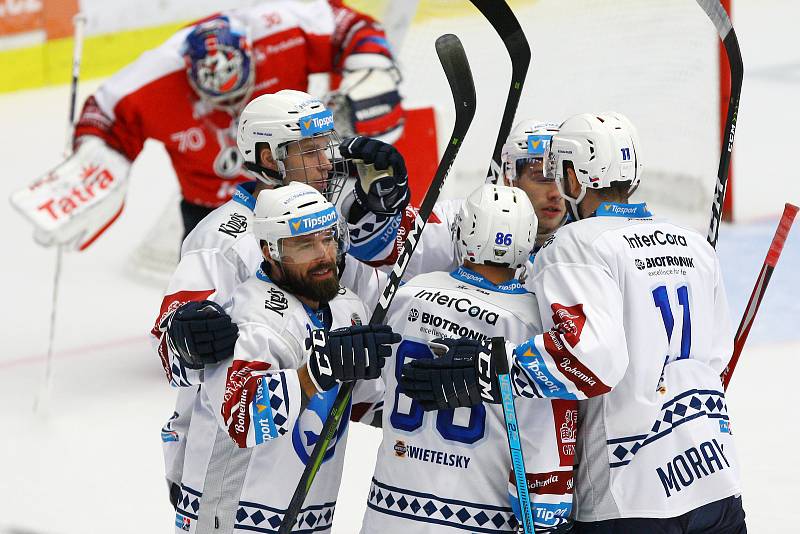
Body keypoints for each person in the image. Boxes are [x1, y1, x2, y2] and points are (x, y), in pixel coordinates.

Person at [401, 112, 746, 533]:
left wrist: (488, 368)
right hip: (714, 479)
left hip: (630, 496)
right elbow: (716, 360)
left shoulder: (576, 245)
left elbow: (590, 360)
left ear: (574, 176)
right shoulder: (692, 242)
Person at [152, 89, 409, 507]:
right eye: (311, 150)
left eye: (327, 147)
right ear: (270, 159)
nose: (328, 162)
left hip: (302, 472)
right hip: (229, 466)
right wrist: (184, 335)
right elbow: (171, 351)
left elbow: (372, 311)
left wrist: (389, 216)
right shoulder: (226, 238)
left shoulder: (329, 229)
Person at [11, 0, 403, 250]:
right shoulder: (155, 75)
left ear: (253, 56)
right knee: (210, 297)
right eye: (221, 99)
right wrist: (95, 155)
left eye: (241, 91)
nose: (235, 107)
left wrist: (370, 66)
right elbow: (103, 113)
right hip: (210, 210)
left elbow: (352, 27)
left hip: (289, 185)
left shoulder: (278, 28)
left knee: (325, 267)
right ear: (189, 75)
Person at [342, 184, 575, 533]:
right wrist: (546, 516)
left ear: (463, 231)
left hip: (388, 513)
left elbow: (371, 392)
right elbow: (543, 439)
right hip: (479, 516)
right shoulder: (533, 320)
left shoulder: (409, 294)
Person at [173, 181, 400, 533]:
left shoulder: (345, 307)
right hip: (231, 519)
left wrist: (426, 398)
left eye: (327, 238)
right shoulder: (250, 317)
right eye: (303, 245)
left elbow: (358, 402)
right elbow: (243, 418)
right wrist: (318, 371)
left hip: (309, 518)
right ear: (269, 251)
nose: (323, 255)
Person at [344, 119, 567, 285]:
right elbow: (378, 249)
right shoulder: (464, 219)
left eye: (563, 179)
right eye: (542, 178)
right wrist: (378, 209)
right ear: (510, 177)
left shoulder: (584, 242)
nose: (556, 193)